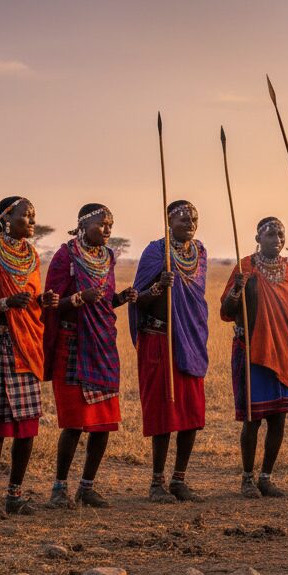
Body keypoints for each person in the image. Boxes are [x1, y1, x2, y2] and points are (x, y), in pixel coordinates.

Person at [0, 196, 59, 518]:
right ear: (6, 218)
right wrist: (4, 305)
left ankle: (15, 495)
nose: (32, 222)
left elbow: (30, 302)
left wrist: (40, 301)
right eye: (26, 216)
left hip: (26, 346)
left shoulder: (31, 255)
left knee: (27, 426)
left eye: (33, 216)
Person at [42, 204, 138, 509]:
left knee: (104, 423)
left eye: (110, 224)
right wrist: (78, 299)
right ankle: (59, 488)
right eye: (101, 224)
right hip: (73, 343)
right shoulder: (65, 256)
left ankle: (87, 487)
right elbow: (52, 304)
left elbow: (105, 301)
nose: (107, 230)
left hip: (102, 345)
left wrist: (121, 299)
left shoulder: (108, 257)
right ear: (82, 226)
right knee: (74, 423)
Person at [130, 200, 209, 503]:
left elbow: (197, 297)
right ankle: (156, 482)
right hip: (160, 338)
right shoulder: (155, 252)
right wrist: (159, 287)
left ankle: (179, 480)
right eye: (183, 218)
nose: (190, 223)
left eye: (194, 218)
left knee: (192, 414)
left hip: (190, 338)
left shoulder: (199, 252)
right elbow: (139, 299)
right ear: (168, 221)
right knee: (164, 412)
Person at [220, 217, 288, 499]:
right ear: (258, 237)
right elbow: (226, 310)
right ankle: (247, 479)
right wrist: (237, 289)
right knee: (253, 420)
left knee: (279, 419)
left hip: (282, 351)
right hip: (252, 349)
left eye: (280, 234)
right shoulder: (245, 267)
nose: (276, 239)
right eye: (270, 234)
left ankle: (266, 477)